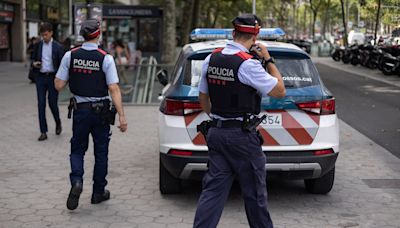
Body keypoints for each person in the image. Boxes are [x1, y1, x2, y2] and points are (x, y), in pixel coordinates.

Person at [193, 14, 286, 228]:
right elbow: (280, 91)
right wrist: (269, 59)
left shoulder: (211, 58)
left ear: (233, 33)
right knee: (255, 195)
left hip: (216, 133)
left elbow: (203, 98)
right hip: (242, 138)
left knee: (213, 192)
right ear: (256, 36)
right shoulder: (248, 64)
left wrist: (217, 118)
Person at [54, 19, 128, 210]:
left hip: (80, 111)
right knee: (101, 152)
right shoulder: (106, 58)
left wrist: (74, 75)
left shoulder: (70, 56)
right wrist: (122, 116)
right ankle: (98, 193)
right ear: (98, 34)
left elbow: (58, 85)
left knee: (77, 149)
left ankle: (77, 181)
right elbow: (114, 88)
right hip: (102, 111)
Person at [31, 23, 64, 141]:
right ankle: (43, 132)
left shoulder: (58, 47)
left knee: (52, 103)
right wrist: (34, 64)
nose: (44, 37)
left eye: (45, 35)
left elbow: (62, 65)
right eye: (42, 35)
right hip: (40, 77)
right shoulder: (38, 45)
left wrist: (62, 80)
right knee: (41, 103)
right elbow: (33, 58)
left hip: (52, 78)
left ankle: (58, 122)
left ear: (51, 33)